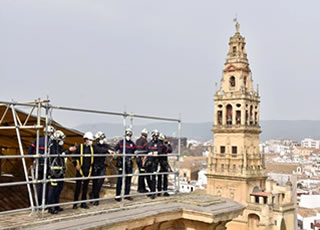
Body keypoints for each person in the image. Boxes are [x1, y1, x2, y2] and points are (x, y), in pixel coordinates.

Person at [28, 125, 56, 206]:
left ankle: (37, 204)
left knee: (39, 185)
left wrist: (34, 159)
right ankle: (45, 204)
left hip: (39, 166)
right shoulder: (52, 142)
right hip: (48, 166)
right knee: (47, 185)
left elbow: (29, 151)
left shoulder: (38, 140)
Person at [69, 132, 95, 209]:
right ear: (86, 140)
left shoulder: (92, 148)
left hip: (88, 170)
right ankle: (75, 203)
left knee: (85, 188)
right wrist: (76, 165)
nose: (91, 141)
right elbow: (74, 158)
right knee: (78, 187)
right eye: (90, 140)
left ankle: (83, 203)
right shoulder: (80, 147)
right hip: (80, 170)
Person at [114, 128, 136, 201]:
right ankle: (118, 195)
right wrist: (115, 154)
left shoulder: (132, 144)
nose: (128, 136)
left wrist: (134, 155)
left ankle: (127, 194)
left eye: (129, 135)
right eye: (127, 135)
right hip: (121, 162)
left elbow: (135, 151)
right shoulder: (121, 142)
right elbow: (115, 149)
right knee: (120, 179)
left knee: (128, 179)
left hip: (129, 163)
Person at [47, 130, 66, 214]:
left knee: (59, 189)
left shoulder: (58, 146)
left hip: (59, 172)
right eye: (61, 139)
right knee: (52, 190)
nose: (62, 141)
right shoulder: (52, 146)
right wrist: (66, 151)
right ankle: (51, 207)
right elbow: (56, 155)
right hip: (53, 172)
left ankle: (56, 205)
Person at [91, 131, 112, 206]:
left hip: (102, 166)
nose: (102, 140)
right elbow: (99, 150)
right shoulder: (95, 146)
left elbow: (110, 148)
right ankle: (93, 197)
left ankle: (95, 197)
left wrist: (112, 151)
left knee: (100, 182)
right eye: (101, 138)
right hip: (95, 166)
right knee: (95, 182)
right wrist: (107, 150)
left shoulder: (105, 146)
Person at [145, 129, 163, 199]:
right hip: (148, 162)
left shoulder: (159, 144)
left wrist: (152, 153)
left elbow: (159, 152)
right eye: (154, 135)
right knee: (147, 177)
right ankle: (150, 190)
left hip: (155, 162)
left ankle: (153, 192)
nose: (155, 137)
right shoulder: (149, 143)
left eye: (156, 136)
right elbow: (146, 151)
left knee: (153, 178)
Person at [135, 128, 149, 193]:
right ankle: (141, 188)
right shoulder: (145, 141)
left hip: (137, 159)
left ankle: (141, 188)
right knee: (142, 173)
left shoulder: (137, 140)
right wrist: (144, 160)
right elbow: (147, 151)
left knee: (141, 173)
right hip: (142, 159)